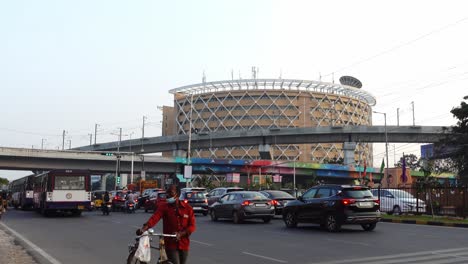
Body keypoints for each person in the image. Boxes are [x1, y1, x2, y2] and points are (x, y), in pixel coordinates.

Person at [139, 185, 195, 264]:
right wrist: (144, 228)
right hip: (170, 243)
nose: (168, 195)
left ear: (177, 195)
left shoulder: (188, 208)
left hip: (184, 243)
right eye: (167, 193)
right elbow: (154, 218)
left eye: (171, 193)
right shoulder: (164, 207)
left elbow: (192, 226)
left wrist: (181, 234)